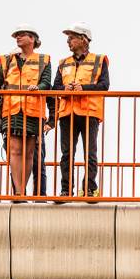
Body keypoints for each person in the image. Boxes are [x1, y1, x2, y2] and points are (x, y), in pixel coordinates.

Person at [0, 25, 51, 196]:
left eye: (22, 35)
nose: (18, 38)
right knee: (15, 151)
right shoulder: (8, 59)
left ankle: (21, 191)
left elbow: (47, 82)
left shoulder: (43, 60)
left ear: (32, 39)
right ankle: (18, 192)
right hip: (12, 110)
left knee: (29, 152)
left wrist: (38, 87)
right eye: (16, 36)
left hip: (33, 111)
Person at [53, 22, 109, 198]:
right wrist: (65, 90)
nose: (68, 41)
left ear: (83, 40)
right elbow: (55, 88)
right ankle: (66, 189)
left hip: (89, 112)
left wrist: (83, 88)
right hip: (67, 113)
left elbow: (104, 85)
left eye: (72, 38)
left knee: (90, 153)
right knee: (66, 154)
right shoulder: (63, 63)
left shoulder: (99, 60)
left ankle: (90, 189)